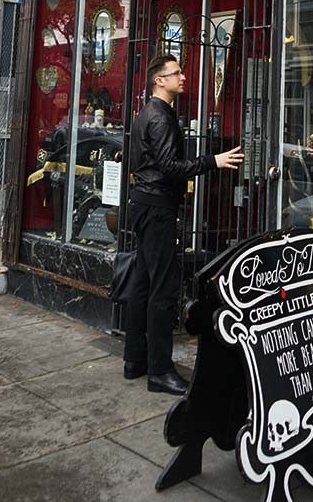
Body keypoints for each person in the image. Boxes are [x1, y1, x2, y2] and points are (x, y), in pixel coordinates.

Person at [123, 53, 244, 395]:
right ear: (158, 80)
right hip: (157, 207)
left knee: (143, 283)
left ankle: (135, 359)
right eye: (175, 73)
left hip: (145, 204)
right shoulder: (159, 117)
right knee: (162, 290)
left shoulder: (149, 113)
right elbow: (169, 167)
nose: (183, 76)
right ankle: (159, 371)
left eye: (181, 71)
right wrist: (213, 161)